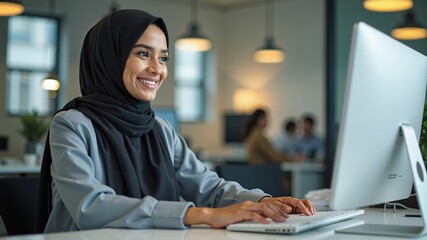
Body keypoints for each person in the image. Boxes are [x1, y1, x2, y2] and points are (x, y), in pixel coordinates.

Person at [34, 9, 315, 233]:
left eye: (164, 57)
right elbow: (91, 206)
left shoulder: (159, 129)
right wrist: (201, 215)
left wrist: (264, 201)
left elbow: (209, 188)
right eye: (143, 53)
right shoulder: (71, 125)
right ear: (109, 58)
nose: (157, 69)